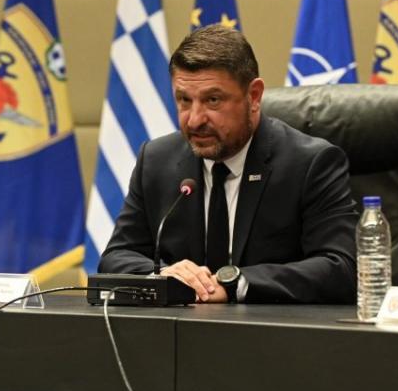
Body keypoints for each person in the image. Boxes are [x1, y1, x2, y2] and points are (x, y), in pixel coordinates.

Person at [98, 25, 357, 303]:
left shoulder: (309, 164)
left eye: (213, 100)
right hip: (179, 327)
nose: (194, 120)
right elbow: (115, 257)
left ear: (254, 96)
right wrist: (163, 275)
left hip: (269, 327)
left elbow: (341, 267)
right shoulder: (156, 160)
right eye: (184, 100)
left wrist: (234, 283)